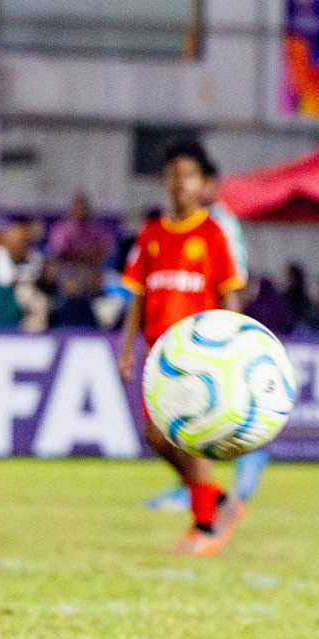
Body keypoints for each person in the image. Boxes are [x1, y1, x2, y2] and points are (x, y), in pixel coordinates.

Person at [117, 140, 247, 555]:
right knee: (155, 438)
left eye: (189, 175)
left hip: (199, 355)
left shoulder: (212, 234)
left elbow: (228, 294)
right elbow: (137, 295)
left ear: (203, 183)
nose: (180, 183)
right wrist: (126, 348)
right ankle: (218, 500)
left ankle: (205, 527)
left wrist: (235, 342)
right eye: (173, 175)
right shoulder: (152, 234)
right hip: (159, 355)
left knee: (191, 439)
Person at [144, 153, 271, 513]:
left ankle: (220, 491)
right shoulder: (184, 223)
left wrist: (225, 331)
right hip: (189, 333)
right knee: (171, 428)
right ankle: (205, 494)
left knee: (196, 420)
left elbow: (233, 281)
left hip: (209, 334)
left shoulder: (218, 225)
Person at [46, 193, 114, 301]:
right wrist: (82, 257)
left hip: (90, 269)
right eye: (78, 207)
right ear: (71, 209)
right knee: (69, 282)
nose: (81, 211)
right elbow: (59, 254)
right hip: (67, 269)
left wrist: (82, 257)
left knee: (107, 280)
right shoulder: (62, 229)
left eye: (83, 208)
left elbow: (103, 251)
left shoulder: (95, 230)